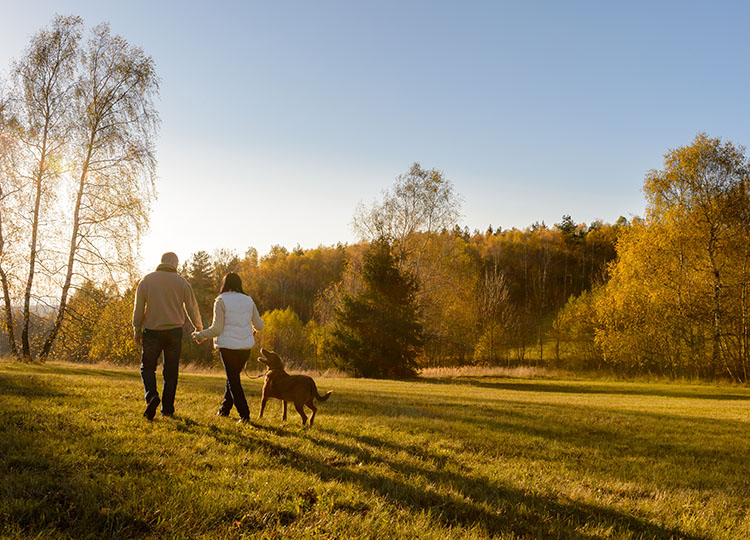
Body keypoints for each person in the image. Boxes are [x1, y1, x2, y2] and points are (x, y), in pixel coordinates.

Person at [132, 252, 203, 420]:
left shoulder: (147, 280)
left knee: (147, 368)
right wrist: (199, 328)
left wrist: (137, 328)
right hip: (174, 332)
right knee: (171, 372)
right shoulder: (182, 282)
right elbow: (192, 307)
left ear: (162, 261)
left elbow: (139, 306)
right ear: (174, 263)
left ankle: (151, 396)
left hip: (152, 331)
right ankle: (167, 409)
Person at [192, 272, 263, 424]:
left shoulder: (221, 300)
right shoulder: (249, 300)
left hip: (228, 347)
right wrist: (250, 327)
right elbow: (259, 325)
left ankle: (244, 415)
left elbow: (217, 329)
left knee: (233, 381)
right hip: (245, 348)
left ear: (224, 284)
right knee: (232, 379)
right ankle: (224, 410)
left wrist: (200, 335)